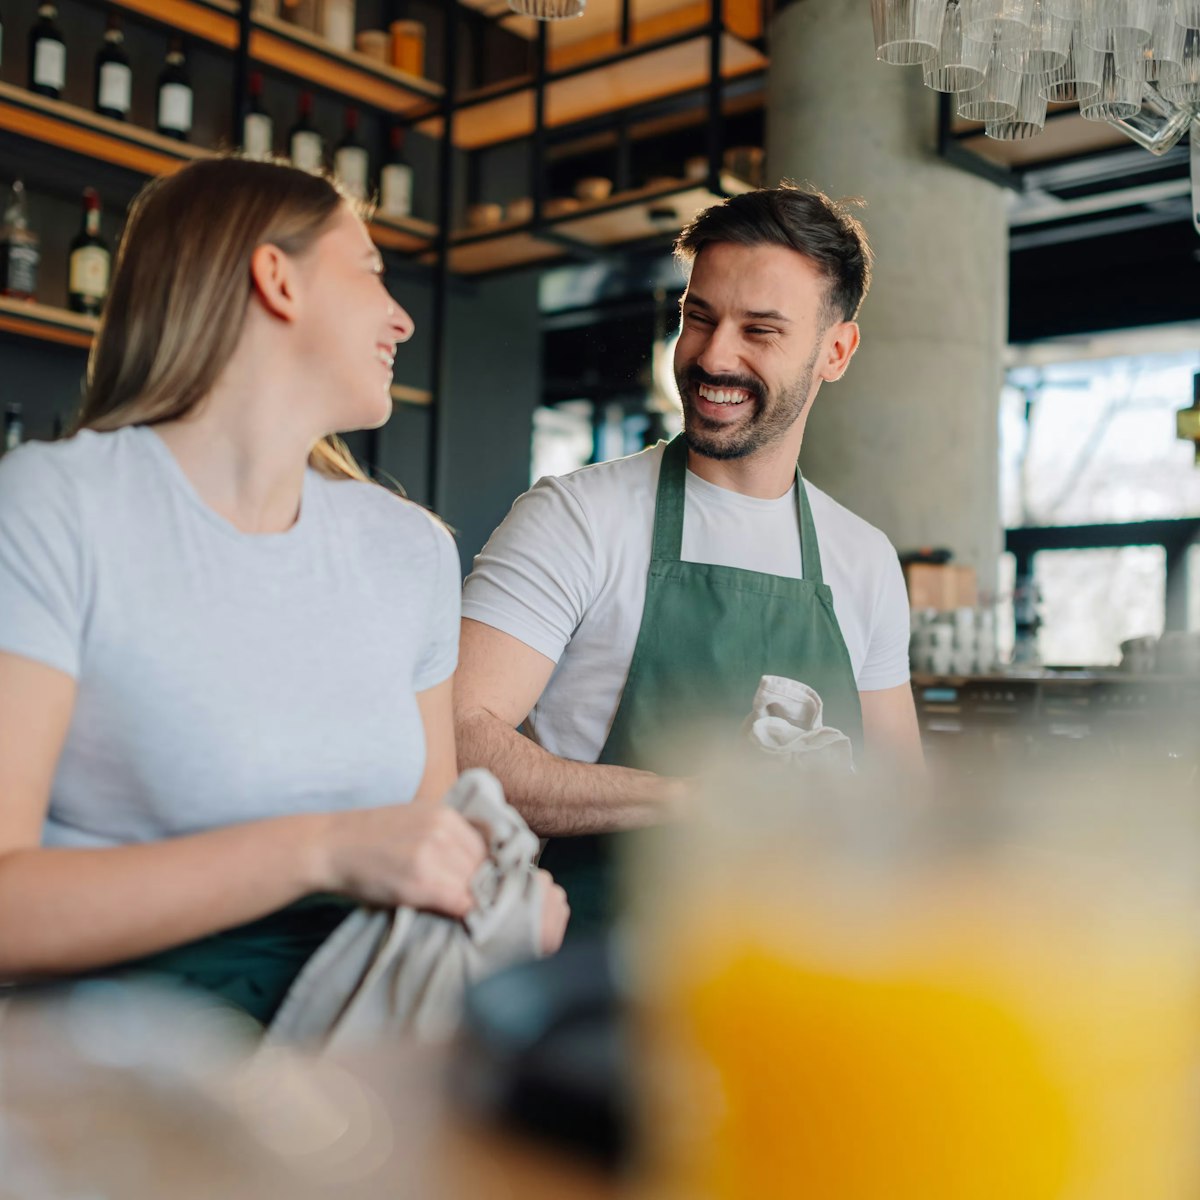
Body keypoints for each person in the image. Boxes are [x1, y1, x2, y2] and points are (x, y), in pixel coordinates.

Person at [0, 158, 568, 1023]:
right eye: (373, 270)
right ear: (277, 279)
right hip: (111, 1075)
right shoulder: (52, 507)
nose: (403, 317)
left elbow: (430, 844)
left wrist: (500, 904)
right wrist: (324, 849)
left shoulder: (409, 550)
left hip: (360, 1070)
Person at [454, 185, 923, 925]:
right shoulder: (578, 517)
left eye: (760, 331)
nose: (713, 355)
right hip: (595, 969)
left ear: (835, 351)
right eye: (698, 318)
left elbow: (899, 798)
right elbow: (454, 740)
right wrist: (692, 801)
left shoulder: (862, 559)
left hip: (804, 974)